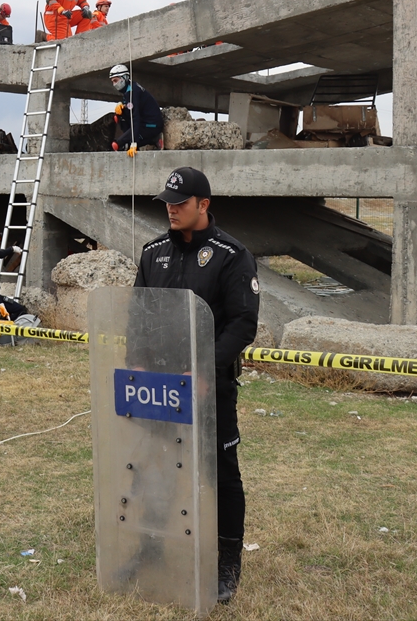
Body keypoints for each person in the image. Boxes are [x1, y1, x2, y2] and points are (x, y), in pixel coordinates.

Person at [134, 167, 259, 604]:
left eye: (181, 202)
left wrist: (204, 371)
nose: (171, 208)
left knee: (221, 475)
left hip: (209, 388)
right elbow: (140, 316)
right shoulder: (152, 253)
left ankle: (227, 563)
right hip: (160, 389)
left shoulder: (231, 256)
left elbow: (243, 323)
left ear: (204, 205)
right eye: (167, 201)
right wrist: (139, 369)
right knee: (155, 465)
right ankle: (148, 547)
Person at [109, 64, 163, 155]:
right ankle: (139, 140)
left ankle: (152, 138)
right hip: (143, 123)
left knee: (117, 144)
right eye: (112, 82)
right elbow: (130, 110)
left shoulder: (133, 92)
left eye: (116, 80)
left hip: (151, 125)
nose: (114, 84)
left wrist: (134, 143)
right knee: (119, 115)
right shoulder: (129, 89)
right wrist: (122, 105)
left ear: (124, 77)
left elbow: (135, 117)